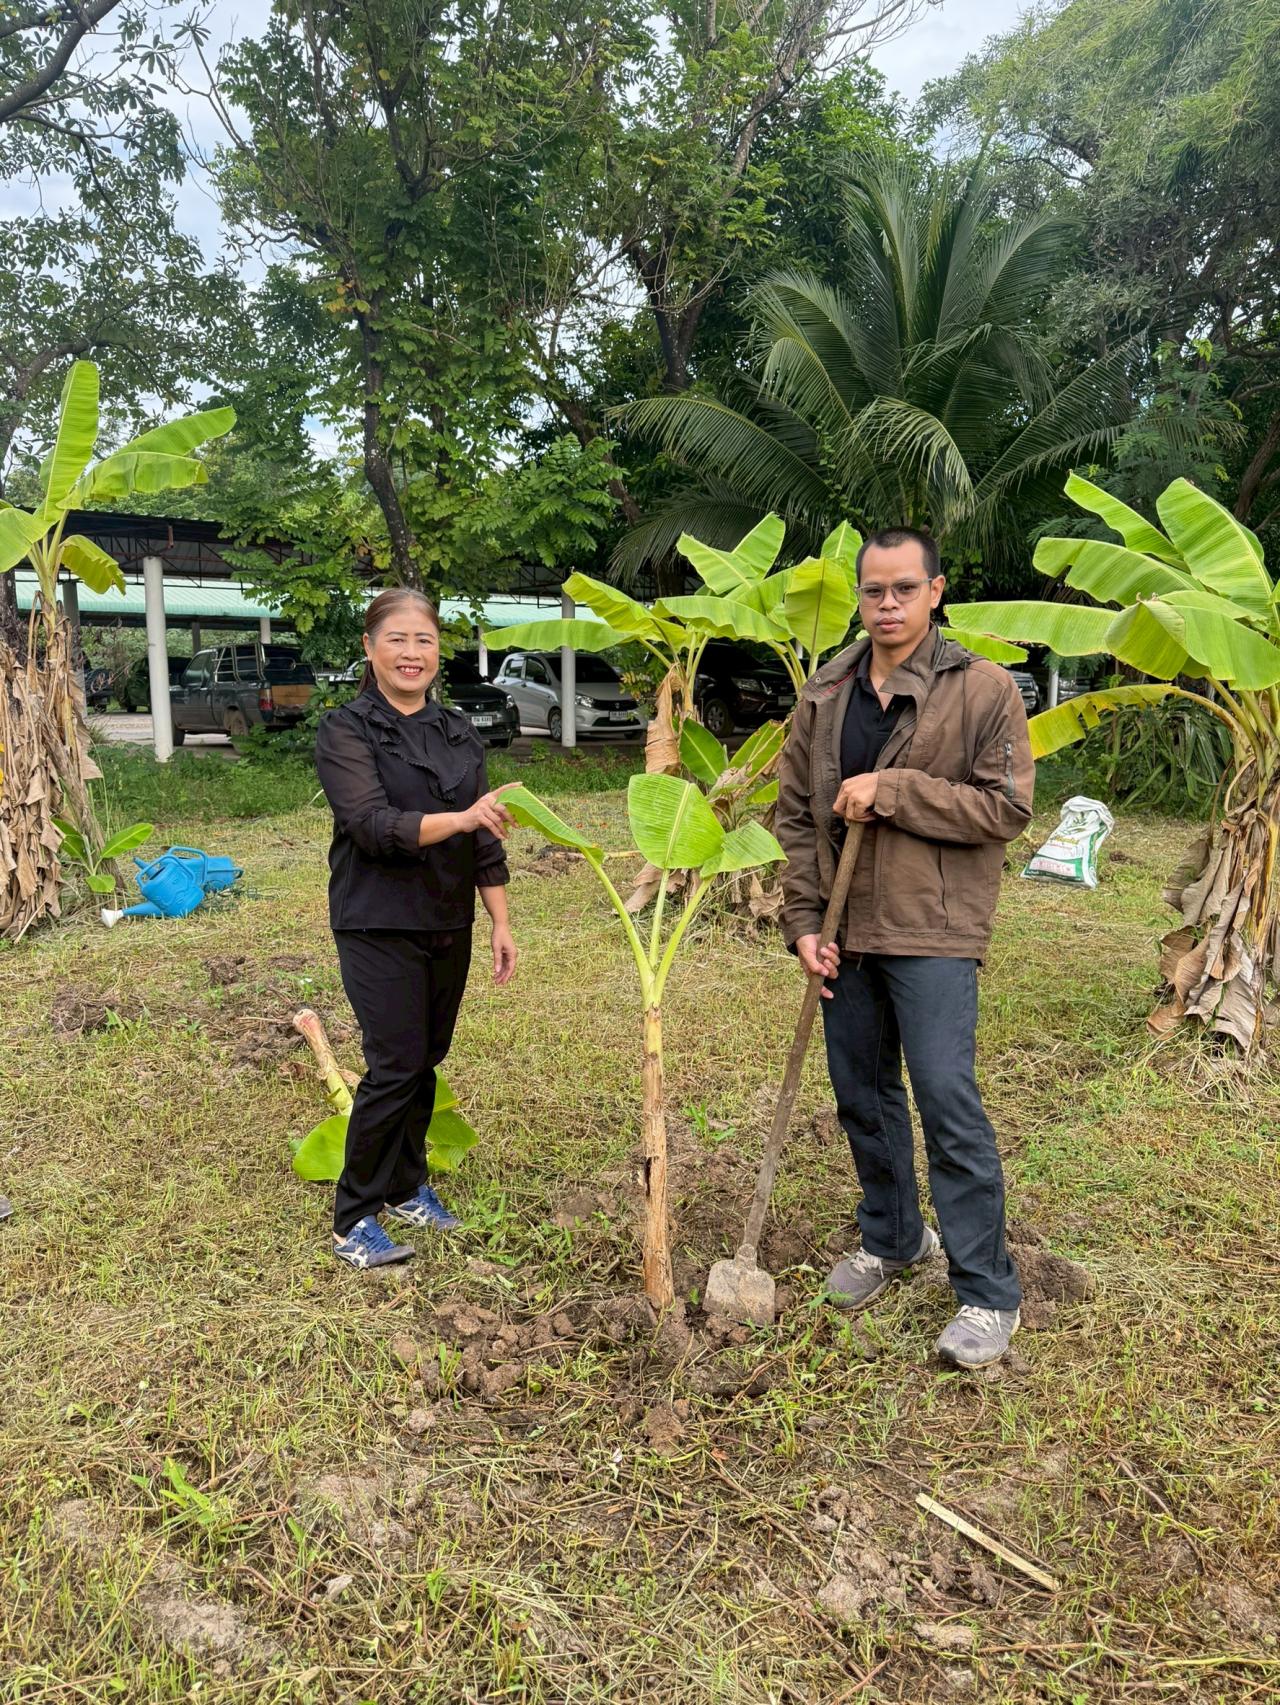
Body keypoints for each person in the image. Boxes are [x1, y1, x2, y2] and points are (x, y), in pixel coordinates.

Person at [775, 527, 1034, 1369]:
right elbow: (796, 818)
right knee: (861, 1093)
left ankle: (988, 1293)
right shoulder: (826, 690)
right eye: (872, 591)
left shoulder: (983, 689)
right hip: (845, 927)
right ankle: (892, 1238)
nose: (886, 605)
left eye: (902, 589)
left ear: (935, 591)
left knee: (945, 1097)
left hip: (933, 927)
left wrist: (894, 791)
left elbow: (1004, 809)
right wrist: (806, 923)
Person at [314, 588, 517, 1270]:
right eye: (396, 639)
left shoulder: (458, 732)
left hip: (445, 918)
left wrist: (500, 921)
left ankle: (405, 1186)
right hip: (376, 920)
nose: (411, 653)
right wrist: (460, 820)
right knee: (395, 1063)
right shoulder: (346, 731)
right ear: (369, 650)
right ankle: (353, 1215)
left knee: (425, 1059)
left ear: (437, 652)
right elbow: (371, 825)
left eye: (423, 640)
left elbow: (486, 838)